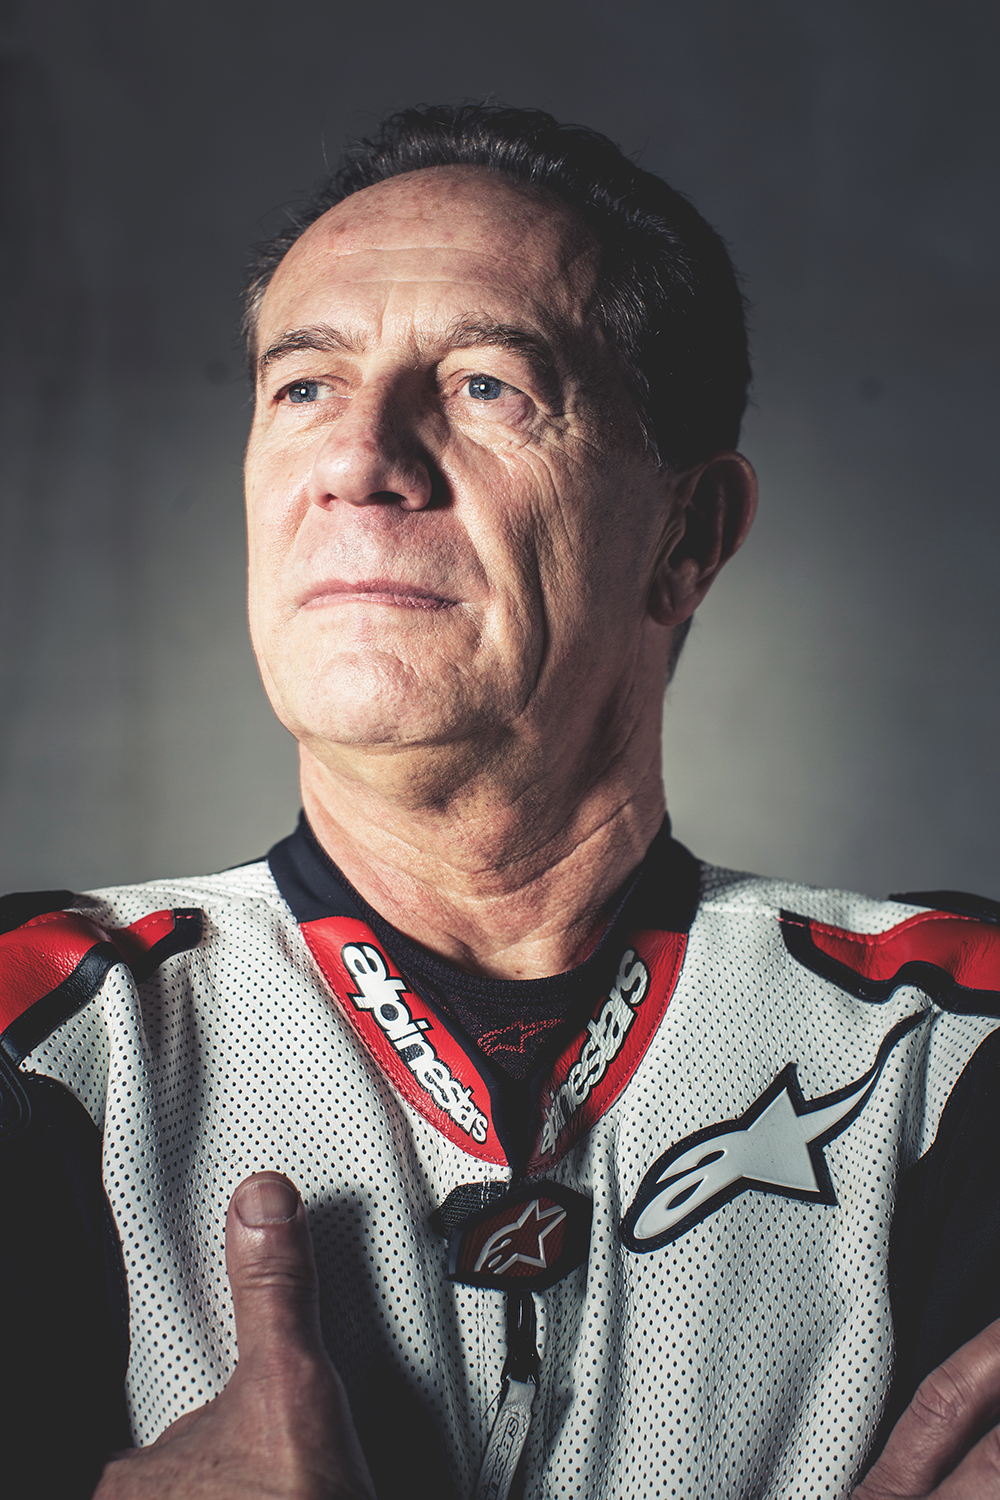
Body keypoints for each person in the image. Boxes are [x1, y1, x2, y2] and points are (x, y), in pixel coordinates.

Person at [4, 103, 1000, 1500]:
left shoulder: (947, 1042)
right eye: (304, 387)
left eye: (486, 387)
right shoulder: (41, 1029)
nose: (360, 460)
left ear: (689, 535)